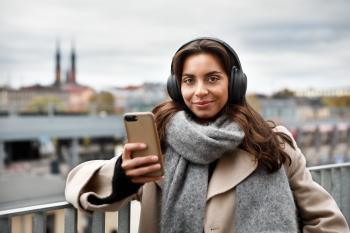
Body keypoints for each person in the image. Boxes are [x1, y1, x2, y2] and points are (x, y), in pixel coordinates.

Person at [65, 37, 349, 233]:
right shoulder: (159, 142)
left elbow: (324, 217)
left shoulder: (272, 141)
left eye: (212, 78)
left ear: (235, 83)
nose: (199, 91)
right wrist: (123, 176)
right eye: (189, 80)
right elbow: (81, 185)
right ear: (177, 87)